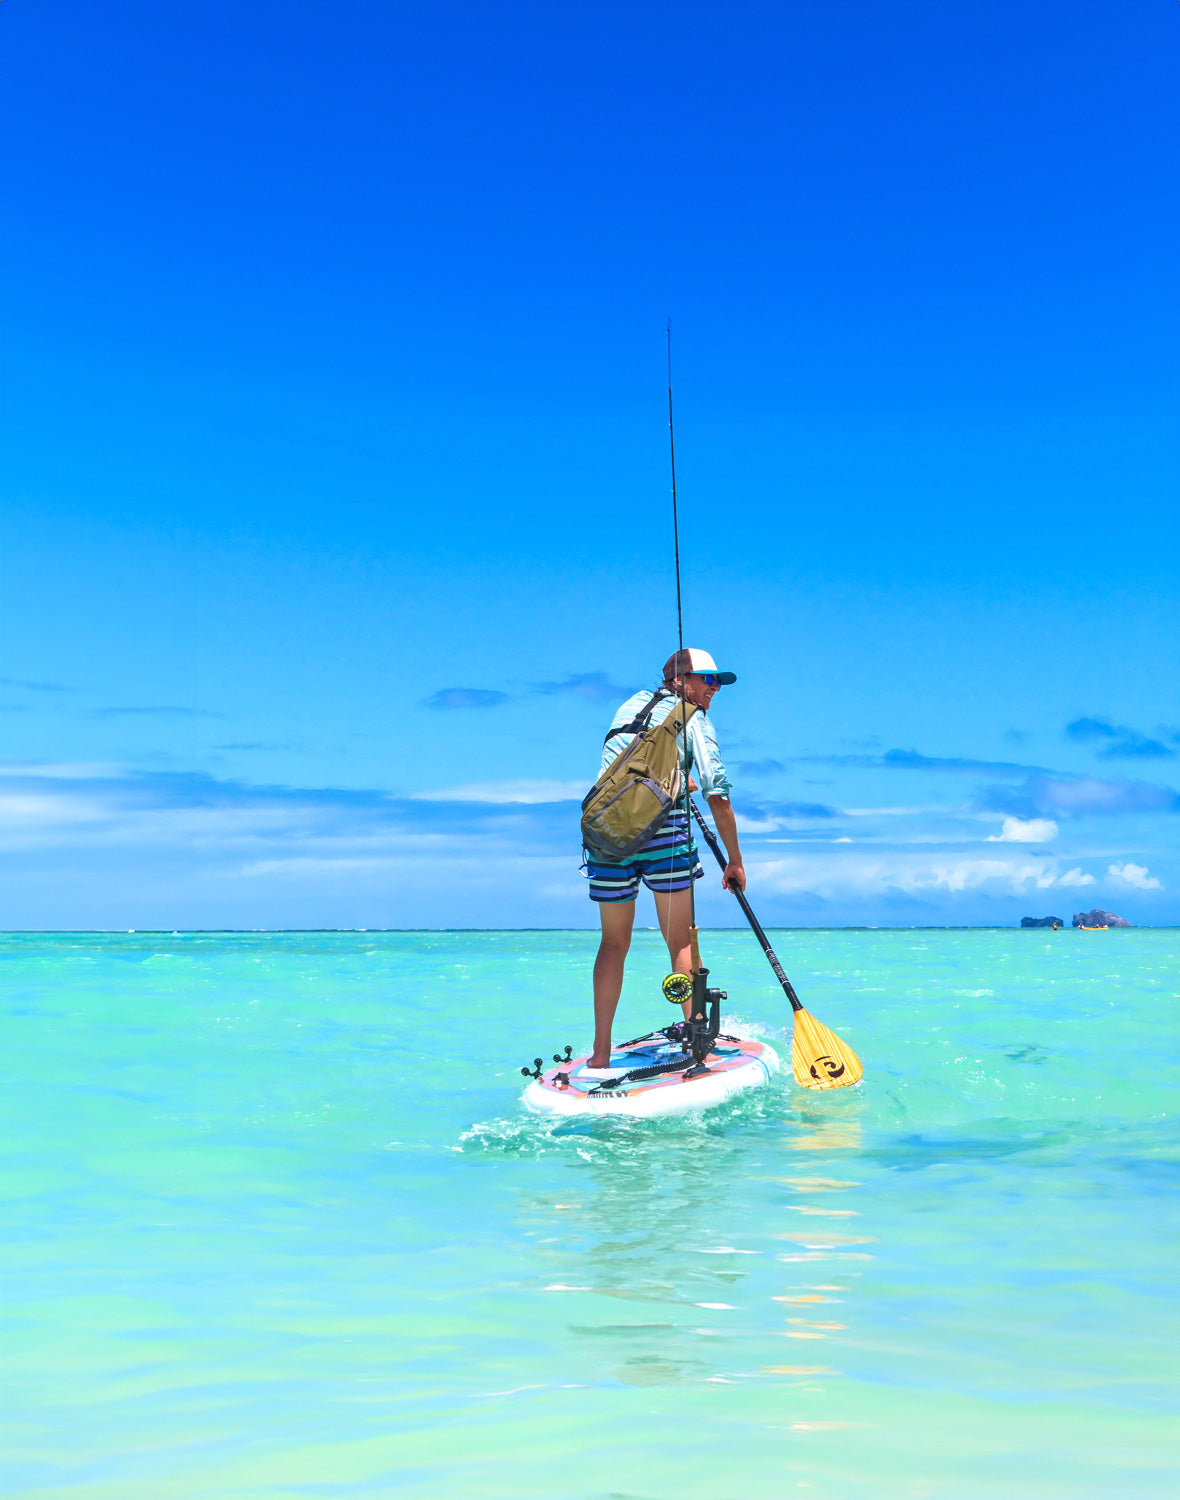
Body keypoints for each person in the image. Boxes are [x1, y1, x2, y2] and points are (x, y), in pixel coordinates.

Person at [585, 647, 744, 1067]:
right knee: (680, 940)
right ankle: (696, 1044)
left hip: (605, 838)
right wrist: (735, 859)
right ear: (680, 680)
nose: (714, 690)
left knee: (613, 943)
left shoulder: (630, 705)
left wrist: (678, 780)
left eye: (717, 683)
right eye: (708, 680)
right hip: (665, 838)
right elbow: (718, 794)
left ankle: (600, 1053)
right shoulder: (693, 719)